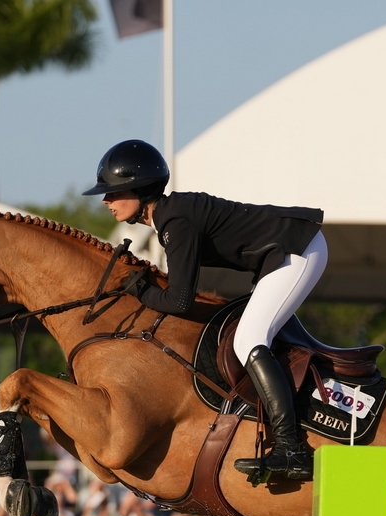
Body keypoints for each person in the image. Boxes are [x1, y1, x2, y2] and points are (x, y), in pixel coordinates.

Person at [84, 139, 326, 481]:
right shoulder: (171, 217)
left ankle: (292, 449)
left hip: (296, 250)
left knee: (248, 340)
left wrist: (140, 291)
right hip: (281, 255)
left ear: (139, 189)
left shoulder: (175, 221)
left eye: (112, 193)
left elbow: (180, 301)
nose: (106, 201)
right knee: (247, 335)